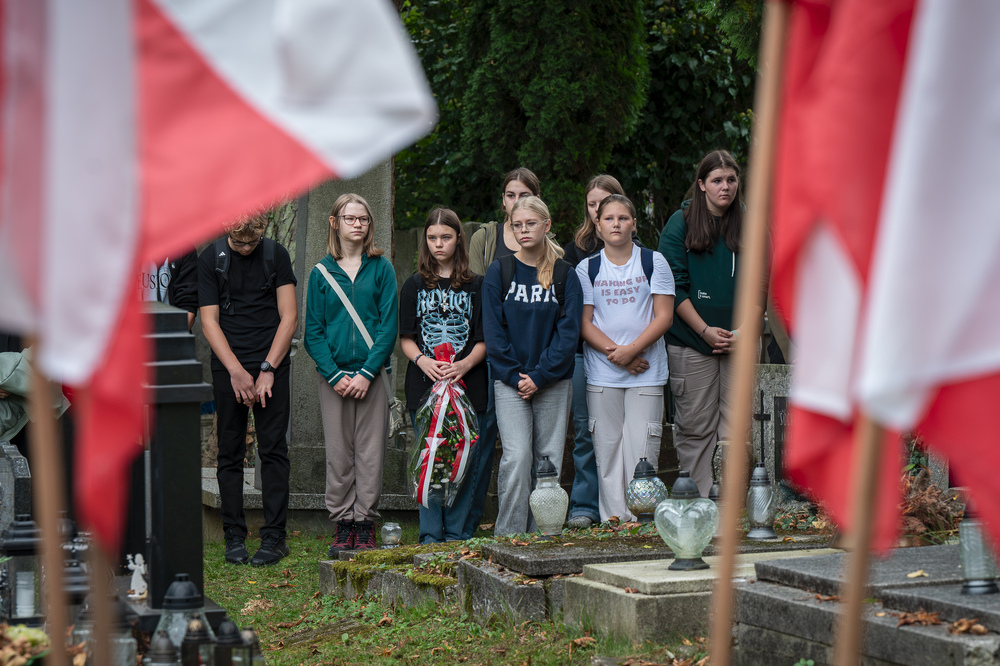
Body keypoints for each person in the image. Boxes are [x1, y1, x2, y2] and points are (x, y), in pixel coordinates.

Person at [657, 150, 761, 496]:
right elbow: (673, 285)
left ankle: (731, 504)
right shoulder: (680, 222)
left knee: (737, 426)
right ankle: (698, 500)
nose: (725, 187)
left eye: (731, 179)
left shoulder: (751, 222)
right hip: (691, 341)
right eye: (717, 180)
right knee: (695, 427)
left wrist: (743, 332)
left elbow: (761, 283)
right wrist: (703, 330)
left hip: (740, 340)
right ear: (702, 185)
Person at [199, 214, 297, 566]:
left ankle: (274, 537)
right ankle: (233, 536)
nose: (244, 248)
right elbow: (209, 320)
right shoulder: (211, 258)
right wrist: (237, 372)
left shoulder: (275, 254)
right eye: (238, 243)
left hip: (272, 361)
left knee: (272, 450)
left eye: (250, 243)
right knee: (230, 451)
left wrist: (267, 369)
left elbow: (289, 316)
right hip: (229, 364)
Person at [304, 193, 398, 554]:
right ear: (335, 222)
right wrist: (334, 375)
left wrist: (367, 373)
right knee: (339, 452)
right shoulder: (321, 273)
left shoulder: (381, 268)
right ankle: (343, 523)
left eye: (363, 219)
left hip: (372, 377)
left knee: (371, 452)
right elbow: (313, 330)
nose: (357, 224)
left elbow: (388, 326)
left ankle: (365, 523)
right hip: (334, 378)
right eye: (350, 218)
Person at [483, 196, 582, 536]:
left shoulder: (565, 274)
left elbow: (568, 336)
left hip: (553, 382)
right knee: (516, 457)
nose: (523, 230)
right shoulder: (500, 271)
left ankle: (545, 533)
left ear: (546, 225)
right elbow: (494, 334)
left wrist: (539, 376)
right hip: (509, 382)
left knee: (548, 461)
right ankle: (509, 537)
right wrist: (516, 376)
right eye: (517, 225)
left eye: (530, 224)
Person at [578, 194, 674, 521]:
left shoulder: (653, 262)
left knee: (642, 450)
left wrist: (633, 351)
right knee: (607, 455)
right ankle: (614, 522)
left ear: (634, 223)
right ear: (598, 225)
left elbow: (663, 316)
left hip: (646, 373)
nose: (616, 224)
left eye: (623, 218)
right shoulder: (587, 268)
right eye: (609, 218)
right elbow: (584, 322)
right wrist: (619, 357)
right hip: (603, 376)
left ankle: (643, 522)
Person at [399, 207, 488, 543]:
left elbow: (483, 338)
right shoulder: (413, 285)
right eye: (433, 238)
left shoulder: (477, 286)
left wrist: (464, 365)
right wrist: (423, 361)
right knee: (430, 460)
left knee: (463, 463)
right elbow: (406, 337)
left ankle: (456, 534)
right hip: (424, 388)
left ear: (458, 239)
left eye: (446, 237)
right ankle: (430, 534)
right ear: (425, 241)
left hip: (468, 387)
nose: (439, 244)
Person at [464, 167, 541, 536]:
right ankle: (472, 517)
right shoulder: (486, 237)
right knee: (485, 435)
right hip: (492, 351)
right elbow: (481, 292)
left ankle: (534, 520)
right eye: (510, 195)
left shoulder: (546, 241)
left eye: (524, 194)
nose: (516, 201)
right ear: (502, 200)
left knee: (531, 447)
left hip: (535, 359)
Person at [561, 174, 627, 529]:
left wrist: (630, 350)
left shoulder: (640, 252)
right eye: (593, 205)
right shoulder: (574, 252)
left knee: (626, 430)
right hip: (586, 353)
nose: (602, 212)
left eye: (607, 203)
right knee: (588, 430)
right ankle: (584, 504)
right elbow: (577, 311)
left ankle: (626, 501)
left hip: (633, 355)